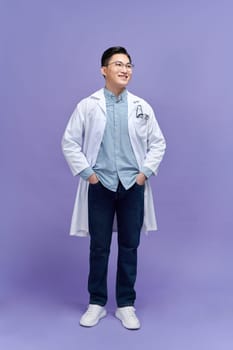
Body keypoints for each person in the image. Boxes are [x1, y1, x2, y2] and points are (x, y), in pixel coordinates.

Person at [61, 46, 166, 330]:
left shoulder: (142, 107)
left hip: (133, 185)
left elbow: (158, 143)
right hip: (101, 185)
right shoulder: (88, 105)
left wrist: (143, 174)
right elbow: (69, 141)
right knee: (99, 247)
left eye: (129, 65)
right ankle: (96, 303)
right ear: (103, 70)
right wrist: (88, 174)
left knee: (130, 246)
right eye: (118, 64)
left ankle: (125, 305)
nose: (125, 69)